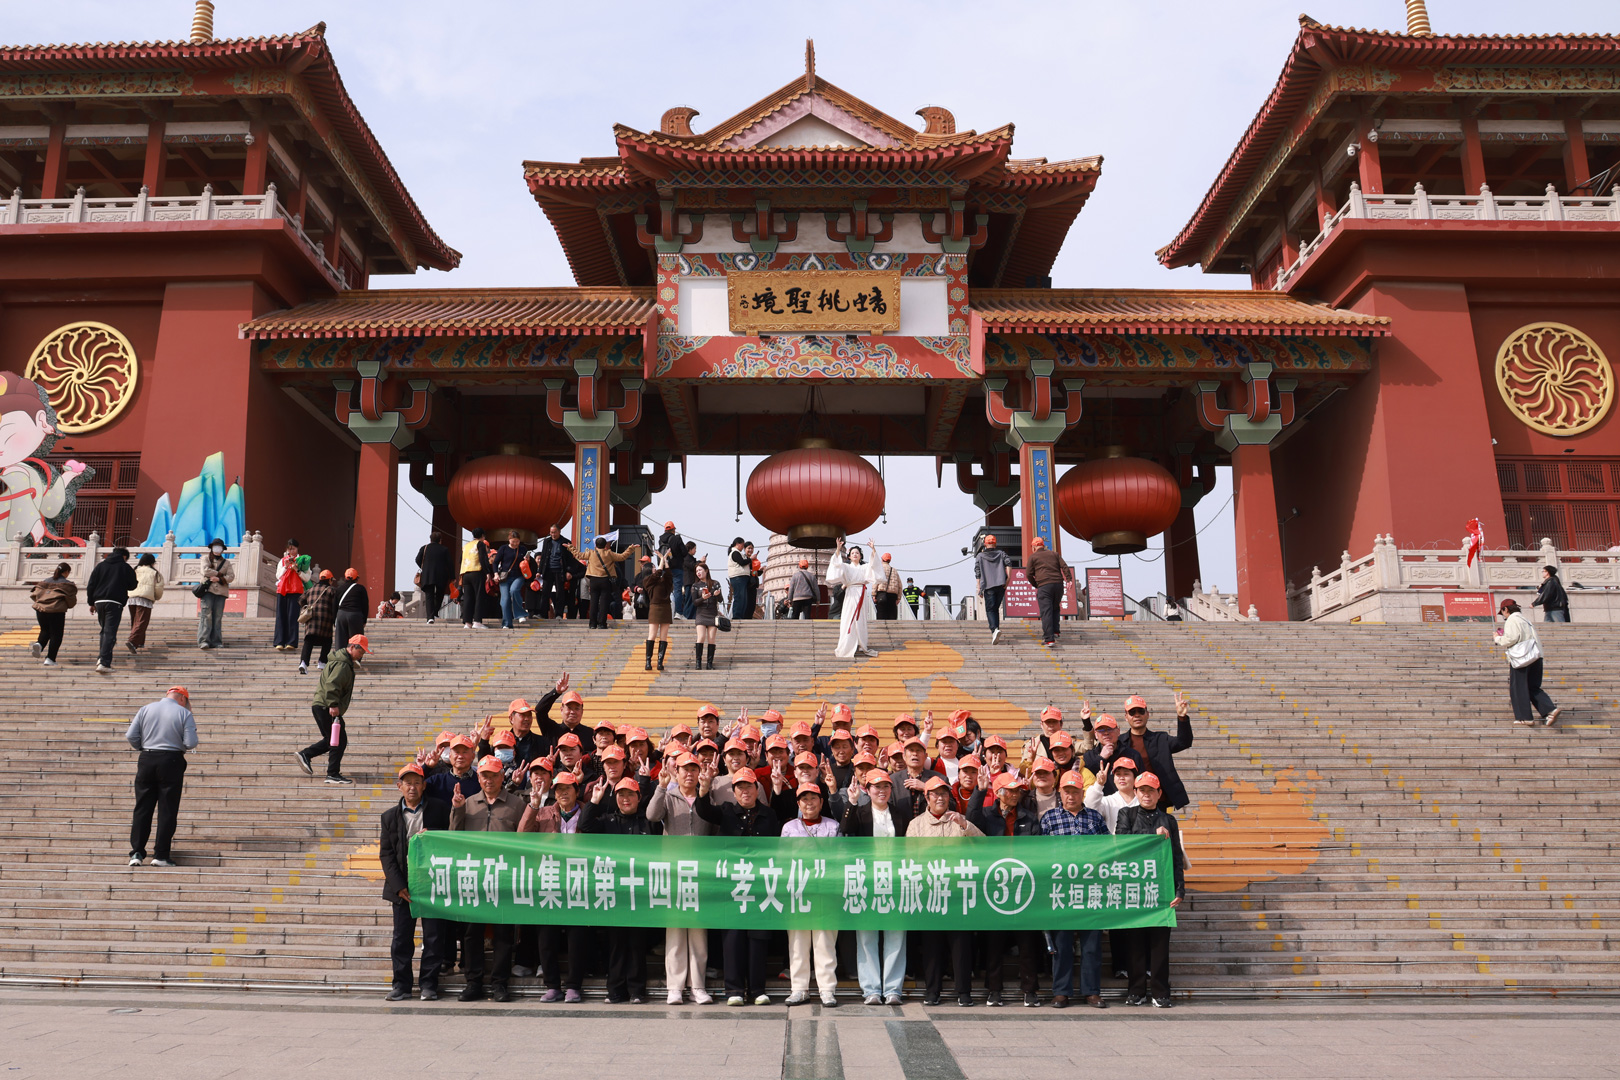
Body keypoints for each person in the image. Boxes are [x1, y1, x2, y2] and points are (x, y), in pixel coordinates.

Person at [696, 766, 780, 1006]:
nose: (745, 791)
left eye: (749, 786)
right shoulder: (726, 811)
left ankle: (757, 989)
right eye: (740, 787)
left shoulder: (769, 814)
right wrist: (704, 789)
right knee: (732, 938)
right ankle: (733, 990)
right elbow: (704, 811)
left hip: (760, 884)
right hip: (732, 885)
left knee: (758, 938)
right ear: (734, 792)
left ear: (757, 789)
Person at [449, 755, 525, 1001]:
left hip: (504, 878)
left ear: (502, 776)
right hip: (475, 878)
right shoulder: (468, 802)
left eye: (493, 775)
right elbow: (454, 836)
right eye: (484, 776)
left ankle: (500, 984)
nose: (489, 780)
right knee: (472, 933)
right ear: (479, 778)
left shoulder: (516, 804)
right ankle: (473, 983)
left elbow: (525, 841)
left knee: (503, 934)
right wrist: (457, 809)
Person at [970, 774, 1045, 1007]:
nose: (1015, 795)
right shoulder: (986, 815)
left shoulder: (1028, 818)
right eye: (1010, 791)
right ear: (999, 792)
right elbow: (970, 821)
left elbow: (1038, 850)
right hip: (993, 886)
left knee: (1027, 942)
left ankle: (1030, 990)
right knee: (994, 942)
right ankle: (994, 989)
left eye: (1018, 791)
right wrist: (979, 792)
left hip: (1023, 885)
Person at [907, 776, 982, 1005]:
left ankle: (964, 991)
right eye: (935, 794)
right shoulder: (916, 825)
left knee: (961, 945)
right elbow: (909, 860)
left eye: (944, 794)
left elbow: (984, 844)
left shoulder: (958, 819)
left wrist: (965, 825)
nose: (940, 798)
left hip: (957, 893)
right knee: (932, 945)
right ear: (927, 797)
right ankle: (933, 991)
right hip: (930, 892)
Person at [379, 763, 451, 1001]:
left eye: (417, 782)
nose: (412, 787)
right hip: (403, 886)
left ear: (424, 785)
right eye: (408, 783)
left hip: (432, 882)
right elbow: (386, 854)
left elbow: (450, 841)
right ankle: (401, 985)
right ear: (399, 786)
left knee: (433, 937)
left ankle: (429, 984)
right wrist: (398, 885)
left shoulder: (439, 809)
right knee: (401, 939)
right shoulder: (389, 817)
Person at [581, 775, 653, 1003]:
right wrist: (594, 801)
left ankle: (637, 990)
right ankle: (615, 990)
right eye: (621, 794)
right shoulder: (608, 821)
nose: (626, 799)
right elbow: (585, 826)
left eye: (631, 794)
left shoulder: (648, 822)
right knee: (616, 944)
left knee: (637, 944)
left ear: (639, 797)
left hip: (640, 892)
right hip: (614, 892)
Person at [1115, 772, 1185, 1008]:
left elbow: (1176, 856)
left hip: (1161, 889)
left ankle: (1160, 992)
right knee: (1134, 944)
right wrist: (1151, 837)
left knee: (1160, 945)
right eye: (1142, 790)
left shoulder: (1169, 820)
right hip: (1134, 887)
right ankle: (1136, 991)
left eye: (1151, 790)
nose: (1146, 794)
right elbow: (1122, 843)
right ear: (1135, 792)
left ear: (1159, 793)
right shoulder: (1126, 814)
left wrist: (1179, 889)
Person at [648, 752, 714, 1004]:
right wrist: (661, 788)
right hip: (674, 873)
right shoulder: (669, 796)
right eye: (685, 769)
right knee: (675, 931)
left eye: (694, 769)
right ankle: (674, 987)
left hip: (700, 873)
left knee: (698, 933)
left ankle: (698, 986)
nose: (689, 773)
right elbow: (652, 816)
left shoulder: (706, 798)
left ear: (699, 773)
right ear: (677, 772)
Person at [519, 770, 589, 1002]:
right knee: (546, 936)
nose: (563, 793)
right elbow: (522, 836)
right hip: (549, 880)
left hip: (578, 881)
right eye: (559, 789)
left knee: (577, 937)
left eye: (568, 788)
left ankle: (574, 986)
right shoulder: (544, 813)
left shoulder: (587, 813)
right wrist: (533, 805)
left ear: (577, 791)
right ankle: (552, 986)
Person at [841, 770, 910, 1005]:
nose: (881, 791)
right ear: (867, 790)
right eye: (876, 787)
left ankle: (893, 989)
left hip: (895, 881)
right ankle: (871, 989)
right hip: (867, 881)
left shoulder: (900, 814)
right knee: (867, 936)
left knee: (896, 935)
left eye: (886, 786)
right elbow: (846, 828)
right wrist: (851, 802)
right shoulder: (859, 812)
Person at [1041, 771, 1109, 1009]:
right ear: (1060, 793)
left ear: (1083, 793)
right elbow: (1039, 853)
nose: (1071, 796)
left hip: (1090, 888)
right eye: (1066, 791)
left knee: (1091, 945)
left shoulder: (1094, 817)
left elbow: (1107, 848)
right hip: (1060, 889)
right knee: (1062, 943)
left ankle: (1092, 991)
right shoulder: (1049, 818)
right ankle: (1061, 991)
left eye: (1075, 791)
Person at [780, 781, 841, 1007]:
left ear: (821, 802)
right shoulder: (789, 828)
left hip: (826, 893)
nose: (809, 803)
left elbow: (840, 859)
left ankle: (827, 990)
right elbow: (782, 860)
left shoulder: (833, 826)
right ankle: (799, 989)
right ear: (798, 803)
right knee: (798, 943)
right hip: (798, 893)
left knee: (825, 943)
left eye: (813, 798)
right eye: (804, 799)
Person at [125, 686, 198, 867]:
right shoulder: (184, 713)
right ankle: (161, 855)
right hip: (171, 760)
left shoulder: (146, 709)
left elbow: (131, 735)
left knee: (142, 808)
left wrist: (144, 747)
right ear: (182, 698)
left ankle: (136, 853)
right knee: (167, 809)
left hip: (147, 758)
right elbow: (191, 742)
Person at [296, 634, 369, 785]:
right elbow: (332, 684)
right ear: (352, 647)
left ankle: (307, 755)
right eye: (360, 652)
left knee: (333, 739)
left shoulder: (343, 661)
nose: (361, 656)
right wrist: (333, 704)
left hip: (322, 704)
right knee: (339, 740)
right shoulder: (342, 664)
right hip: (326, 705)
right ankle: (331, 773)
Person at [1121, 693, 1194, 810]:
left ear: (1147, 714)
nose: (1137, 715)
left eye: (1141, 711)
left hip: (1157, 801)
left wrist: (1182, 717)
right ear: (1126, 717)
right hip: (1129, 801)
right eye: (1132, 712)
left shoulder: (1161, 739)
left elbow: (1184, 742)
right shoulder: (1120, 743)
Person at [1497, 598, 1560, 726]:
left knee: (1518, 688)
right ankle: (1550, 710)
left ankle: (1524, 717)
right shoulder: (1526, 620)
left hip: (1522, 658)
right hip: (1536, 656)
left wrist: (1498, 638)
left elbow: (1511, 638)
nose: (1503, 615)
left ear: (1505, 609)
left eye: (1502, 612)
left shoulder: (1512, 620)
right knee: (1532, 687)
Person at [826, 537, 879, 659]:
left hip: (861, 593)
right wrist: (838, 549)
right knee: (849, 617)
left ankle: (861, 644)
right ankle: (847, 645)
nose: (855, 554)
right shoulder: (846, 567)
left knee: (860, 619)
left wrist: (873, 550)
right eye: (853, 553)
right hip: (850, 593)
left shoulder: (864, 567)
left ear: (860, 556)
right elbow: (836, 564)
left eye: (857, 553)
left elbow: (874, 565)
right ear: (849, 556)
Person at [86, 545, 136, 672]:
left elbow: (91, 585)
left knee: (104, 631)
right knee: (110, 632)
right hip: (115, 602)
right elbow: (132, 585)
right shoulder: (125, 567)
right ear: (124, 556)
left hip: (99, 602)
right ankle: (104, 662)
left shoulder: (100, 566)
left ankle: (101, 658)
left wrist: (91, 603)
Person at [29, 560, 76, 667]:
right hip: (56, 611)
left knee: (45, 630)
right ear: (66, 572)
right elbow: (71, 602)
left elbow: (34, 595)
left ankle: (39, 644)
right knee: (56, 634)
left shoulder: (44, 582)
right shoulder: (67, 585)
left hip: (41, 610)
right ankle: (50, 658)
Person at [584, 536, 636, 629]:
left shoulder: (591, 553)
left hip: (594, 580)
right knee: (604, 603)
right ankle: (602, 624)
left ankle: (592, 624)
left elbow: (579, 555)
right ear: (605, 546)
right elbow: (622, 556)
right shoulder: (609, 553)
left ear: (595, 545)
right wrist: (630, 548)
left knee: (593, 602)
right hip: (605, 580)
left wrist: (570, 548)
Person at [1027, 536, 1069, 647]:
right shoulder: (1054, 554)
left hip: (1044, 585)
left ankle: (1049, 639)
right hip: (1058, 585)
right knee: (1055, 607)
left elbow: (1028, 574)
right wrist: (1069, 579)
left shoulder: (1033, 557)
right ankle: (1055, 631)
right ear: (1043, 545)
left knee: (1046, 611)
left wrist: (1036, 584)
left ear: (1034, 547)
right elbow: (1064, 566)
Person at [298, 569, 338, 676]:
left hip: (311, 620)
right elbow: (335, 604)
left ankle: (303, 663)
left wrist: (307, 605)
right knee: (327, 641)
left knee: (308, 641)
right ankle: (322, 662)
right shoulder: (331, 590)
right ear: (329, 580)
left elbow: (300, 600)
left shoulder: (310, 589)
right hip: (326, 620)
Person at [197, 538, 234, 650]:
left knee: (217, 617)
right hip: (208, 590)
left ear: (222, 549)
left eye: (219, 546)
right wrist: (220, 574)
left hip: (221, 592)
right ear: (212, 547)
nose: (217, 548)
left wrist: (218, 578)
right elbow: (205, 571)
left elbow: (231, 577)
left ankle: (216, 641)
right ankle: (204, 640)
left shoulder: (227, 563)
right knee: (206, 615)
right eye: (215, 546)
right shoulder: (205, 558)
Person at [273, 539, 309, 651]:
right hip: (282, 590)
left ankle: (291, 642)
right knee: (280, 616)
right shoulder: (283, 560)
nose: (291, 551)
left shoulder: (303, 560)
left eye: (293, 548)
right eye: (289, 549)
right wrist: (286, 566)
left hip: (295, 590)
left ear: (297, 549)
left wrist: (297, 569)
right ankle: (279, 642)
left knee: (293, 616)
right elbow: (278, 576)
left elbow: (307, 578)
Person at [974, 535, 1010, 645]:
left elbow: (978, 572)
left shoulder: (980, 556)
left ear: (985, 544)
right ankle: (996, 629)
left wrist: (979, 587)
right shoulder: (1001, 554)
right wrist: (1008, 579)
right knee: (995, 609)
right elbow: (1008, 563)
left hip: (988, 585)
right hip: (1001, 585)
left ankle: (994, 630)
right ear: (995, 543)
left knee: (990, 609)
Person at [688, 561, 723, 670]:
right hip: (701, 614)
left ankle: (709, 663)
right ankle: (698, 663)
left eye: (700, 570)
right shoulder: (695, 586)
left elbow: (720, 600)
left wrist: (717, 595)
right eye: (696, 571)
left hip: (712, 614)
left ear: (706, 571)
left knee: (711, 638)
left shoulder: (715, 583)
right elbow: (695, 602)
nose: (698, 573)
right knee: (701, 637)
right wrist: (703, 598)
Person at [642, 549, 674, 671]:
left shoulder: (661, 580)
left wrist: (665, 560)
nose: (655, 569)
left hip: (666, 607)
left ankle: (660, 662)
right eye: (653, 567)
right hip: (655, 607)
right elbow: (658, 573)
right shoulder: (647, 580)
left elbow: (669, 575)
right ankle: (648, 661)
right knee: (652, 635)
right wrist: (662, 558)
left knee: (664, 636)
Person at [126, 553, 163, 654]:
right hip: (145, 598)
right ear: (152, 562)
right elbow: (158, 588)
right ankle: (132, 641)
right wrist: (156, 597)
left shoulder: (135, 570)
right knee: (142, 622)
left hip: (132, 597)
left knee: (135, 621)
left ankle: (139, 643)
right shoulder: (155, 573)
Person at [414, 532, 455, 623]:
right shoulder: (444, 549)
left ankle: (430, 617)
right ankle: (435, 612)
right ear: (440, 540)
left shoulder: (424, 548)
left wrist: (424, 567)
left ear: (430, 539)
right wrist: (452, 577)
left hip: (428, 575)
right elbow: (450, 564)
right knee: (440, 594)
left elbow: (417, 559)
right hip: (441, 575)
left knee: (429, 596)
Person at [491, 532, 527, 629]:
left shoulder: (522, 549)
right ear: (509, 540)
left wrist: (527, 560)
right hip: (505, 577)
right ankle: (507, 623)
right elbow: (495, 563)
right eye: (513, 541)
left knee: (514, 590)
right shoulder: (503, 548)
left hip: (519, 575)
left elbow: (528, 563)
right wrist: (495, 574)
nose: (515, 544)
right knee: (505, 599)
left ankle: (520, 614)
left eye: (517, 541)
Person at [460, 528, 491, 628]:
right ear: (482, 536)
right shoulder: (480, 544)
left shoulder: (466, 545)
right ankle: (477, 621)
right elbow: (483, 558)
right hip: (477, 572)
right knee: (479, 596)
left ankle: (467, 622)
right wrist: (487, 572)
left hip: (466, 573)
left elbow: (460, 560)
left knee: (468, 598)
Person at [333, 567, 369, 647]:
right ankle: (355, 654)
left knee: (340, 641)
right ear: (357, 578)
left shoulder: (339, 589)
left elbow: (335, 605)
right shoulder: (361, 588)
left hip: (341, 615)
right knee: (356, 640)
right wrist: (364, 620)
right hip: (355, 615)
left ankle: (340, 654)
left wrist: (334, 620)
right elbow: (365, 605)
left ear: (345, 577)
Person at [658, 521, 686, 614]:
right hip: (677, 568)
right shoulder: (677, 539)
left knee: (666, 589)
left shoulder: (661, 540)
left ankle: (665, 611)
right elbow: (684, 552)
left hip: (665, 568)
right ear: (673, 530)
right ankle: (678, 612)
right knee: (677, 590)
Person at [873, 553, 903, 620]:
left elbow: (876, 582)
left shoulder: (880, 569)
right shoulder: (894, 570)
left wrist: (874, 594)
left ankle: (881, 626)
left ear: (882, 559)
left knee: (881, 614)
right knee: (892, 615)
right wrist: (898, 598)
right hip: (893, 595)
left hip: (881, 594)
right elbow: (900, 585)